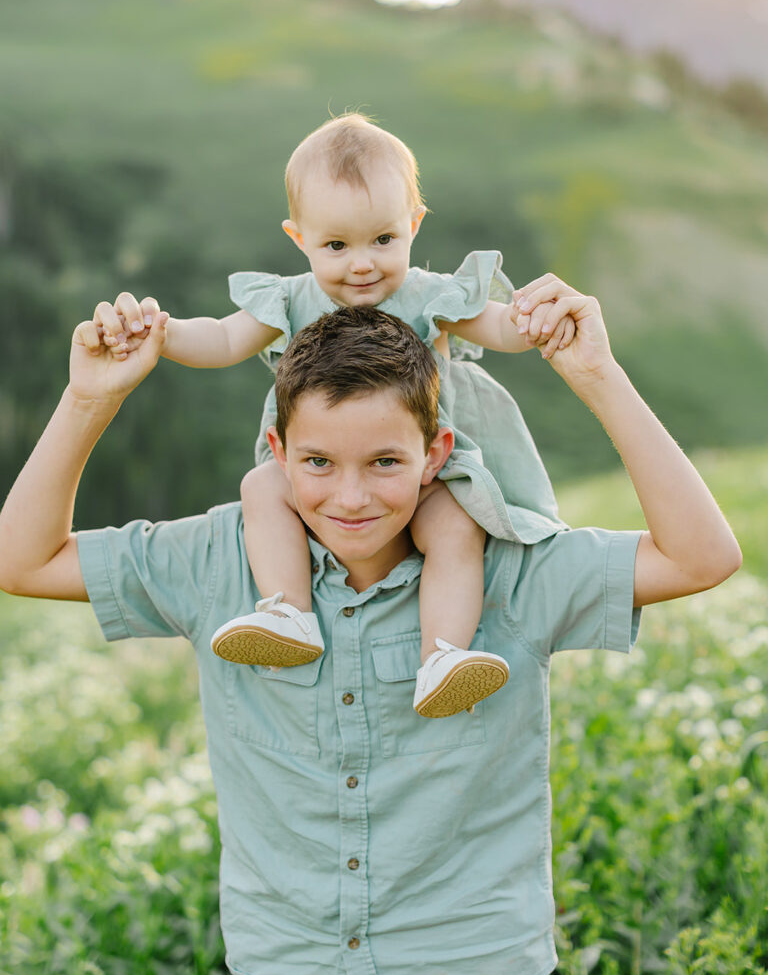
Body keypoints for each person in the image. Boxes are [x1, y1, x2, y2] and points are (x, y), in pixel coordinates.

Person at [0, 277, 741, 975]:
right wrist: (90, 400)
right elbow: (23, 561)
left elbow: (701, 557)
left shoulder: (511, 568)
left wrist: (597, 376)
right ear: (278, 452)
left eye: (385, 462)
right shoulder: (219, 559)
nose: (351, 498)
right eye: (318, 463)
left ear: (435, 453)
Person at [94, 112, 576, 718]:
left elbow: (498, 327)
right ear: (300, 239)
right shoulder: (293, 298)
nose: (362, 265)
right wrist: (160, 334)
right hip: (326, 466)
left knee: (455, 529)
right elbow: (220, 339)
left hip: (426, 465)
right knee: (261, 488)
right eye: (336, 246)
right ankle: (287, 612)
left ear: (413, 225)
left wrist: (535, 320)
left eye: (383, 240)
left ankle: (444, 655)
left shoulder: (429, 293)